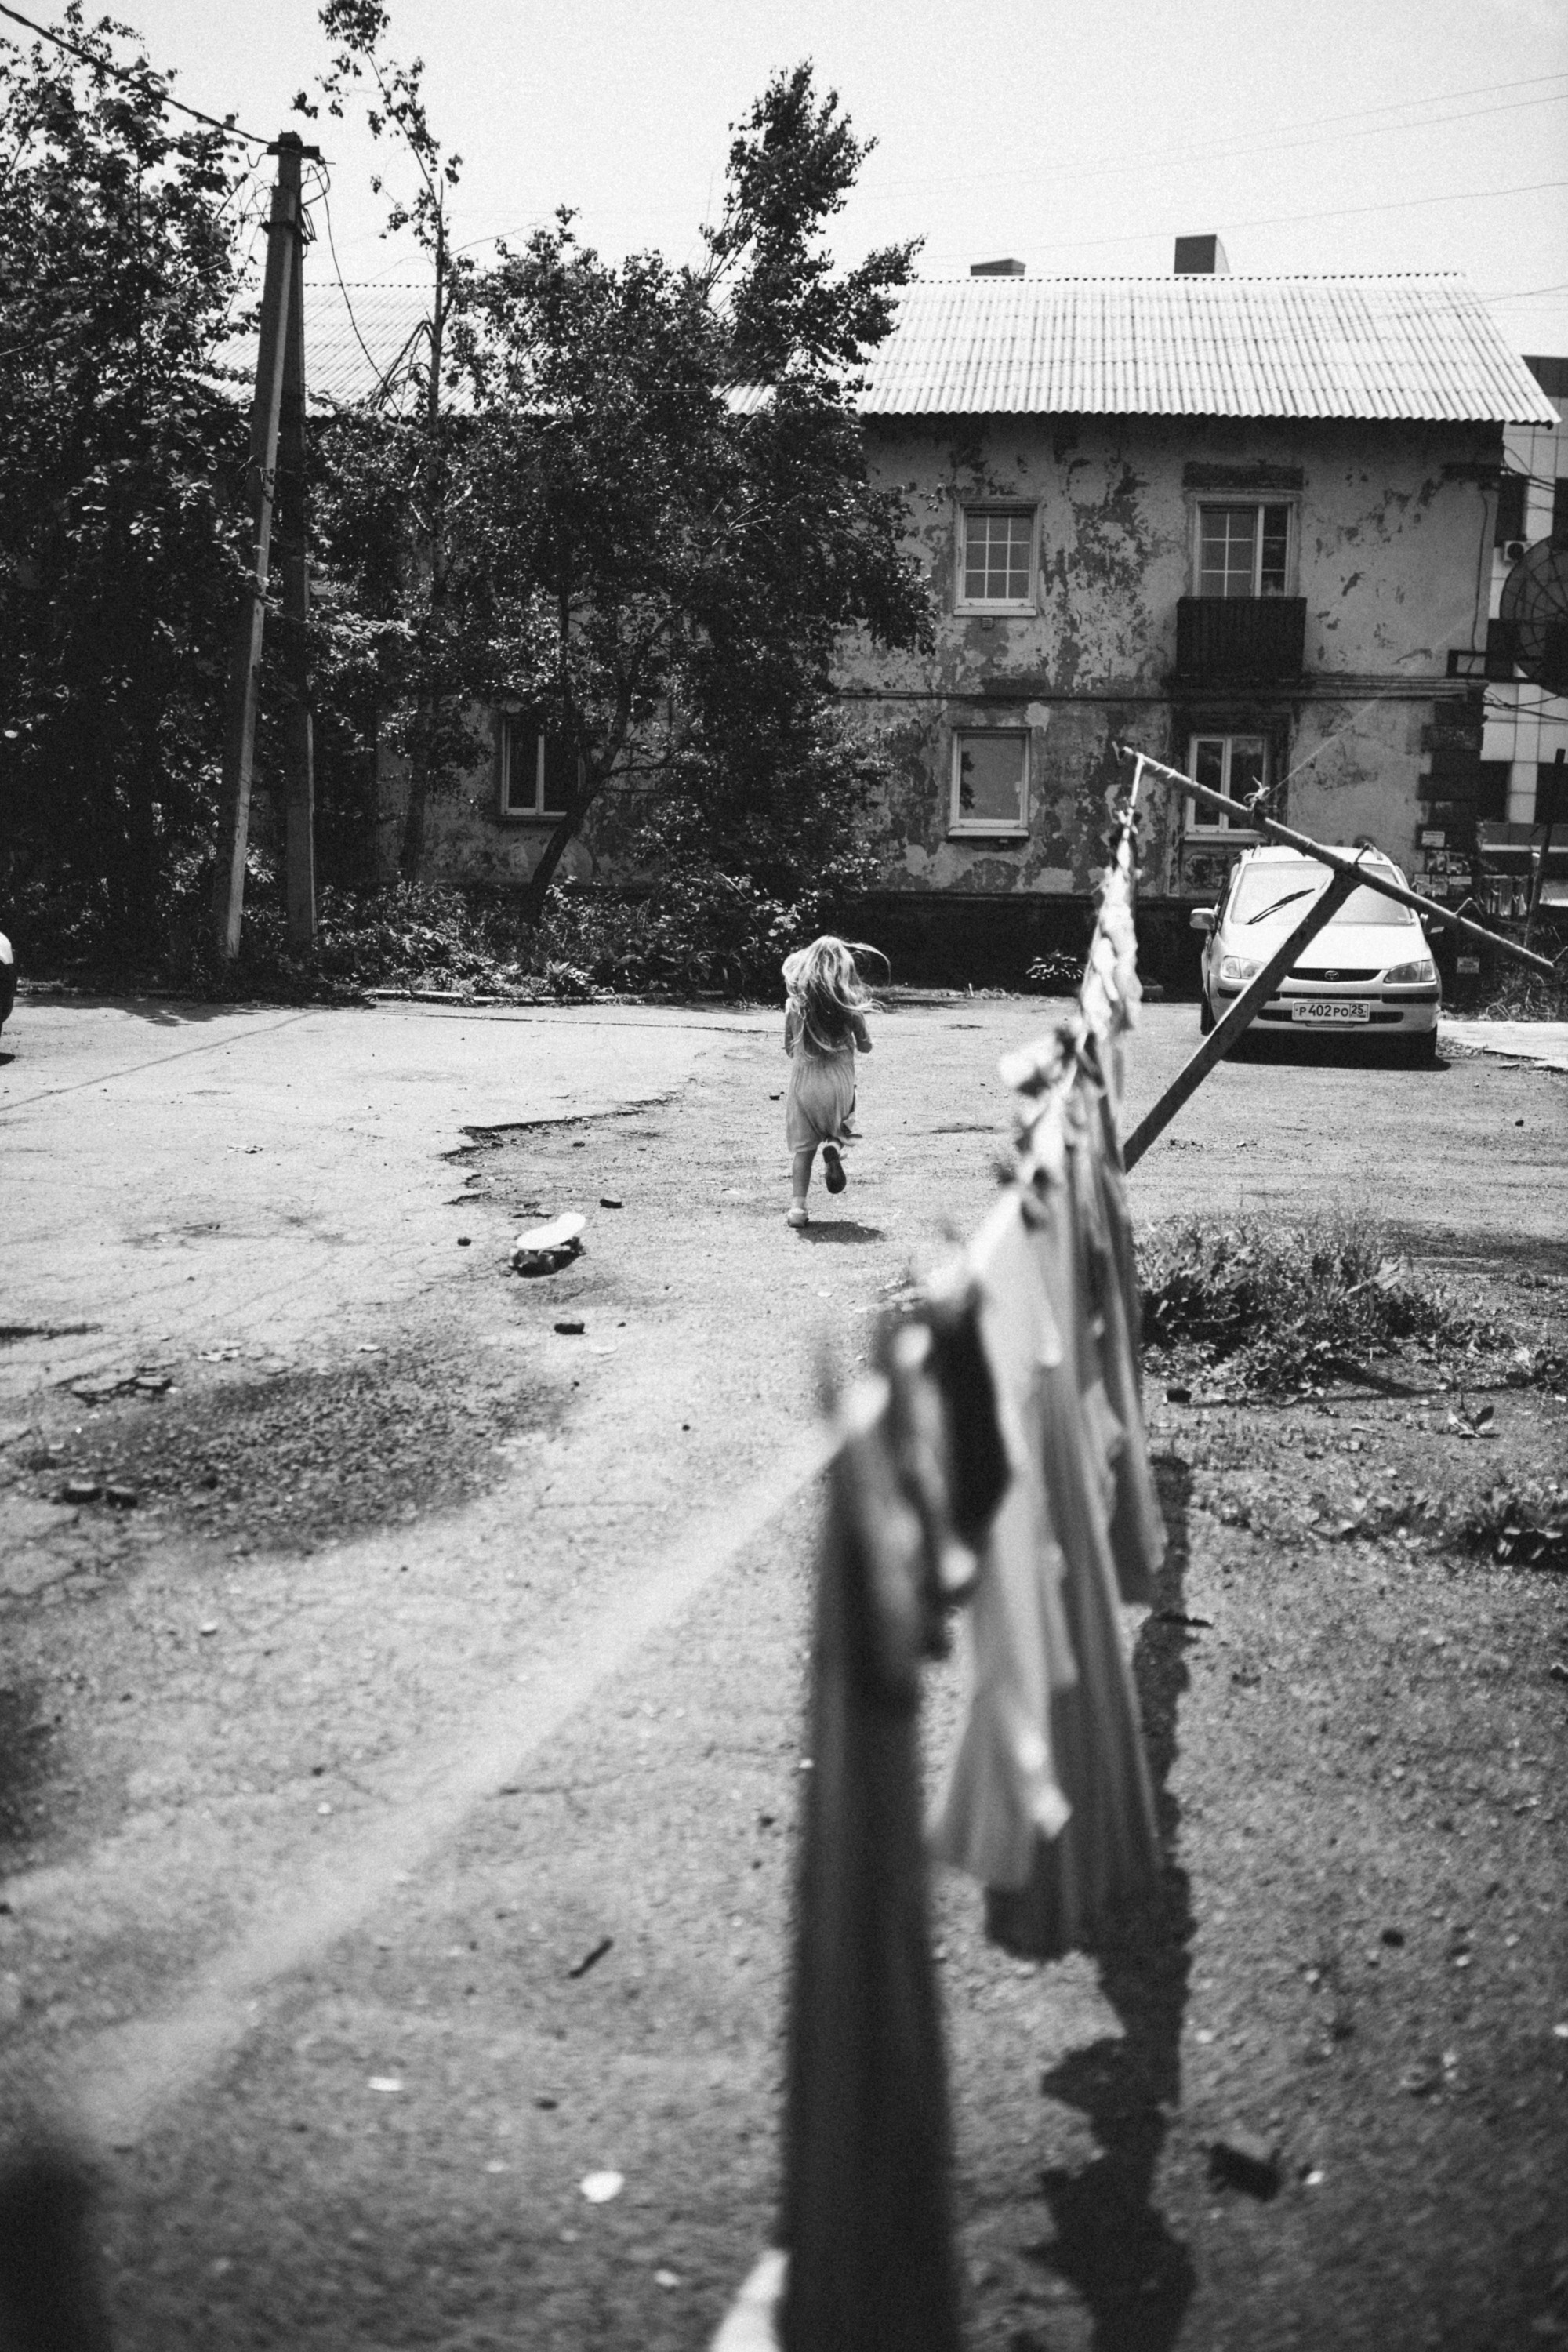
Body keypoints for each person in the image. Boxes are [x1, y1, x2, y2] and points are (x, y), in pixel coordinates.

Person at [781, 936, 880, 1228]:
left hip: (804, 1085)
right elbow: (866, 1047)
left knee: (803, 1150)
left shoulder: (795, 1005)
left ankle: (798, 1210)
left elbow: (789, 1049)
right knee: (845, 1125)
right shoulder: (849, 1006)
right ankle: (834, 1149)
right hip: (838, 1083)